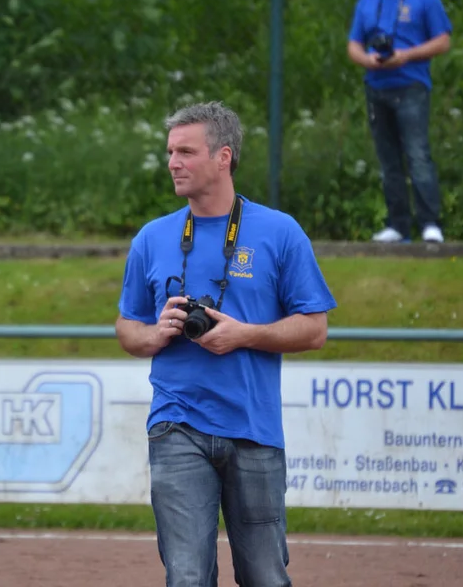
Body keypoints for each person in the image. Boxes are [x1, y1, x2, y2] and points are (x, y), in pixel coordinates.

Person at [114, 101, 337, 586]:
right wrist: (156, 334)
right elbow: (126, 327)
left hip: (253, 429)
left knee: (265, 576)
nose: (173, 161)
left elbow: (315, 329)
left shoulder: (280, 232)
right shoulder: (152, 238)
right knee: (187, 577)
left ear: (223, 157)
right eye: (170, 151)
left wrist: (246, 334)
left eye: (186, 151)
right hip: (176, 425)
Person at [347, 0, 453, 243]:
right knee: (388, 159)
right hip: (377, 87)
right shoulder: (368, 1)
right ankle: (398, 225)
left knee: (418, 155)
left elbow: (443, 41)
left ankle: (430, 223)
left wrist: (406, 55)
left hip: (411, 85)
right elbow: (353, 45)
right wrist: (367, 59)